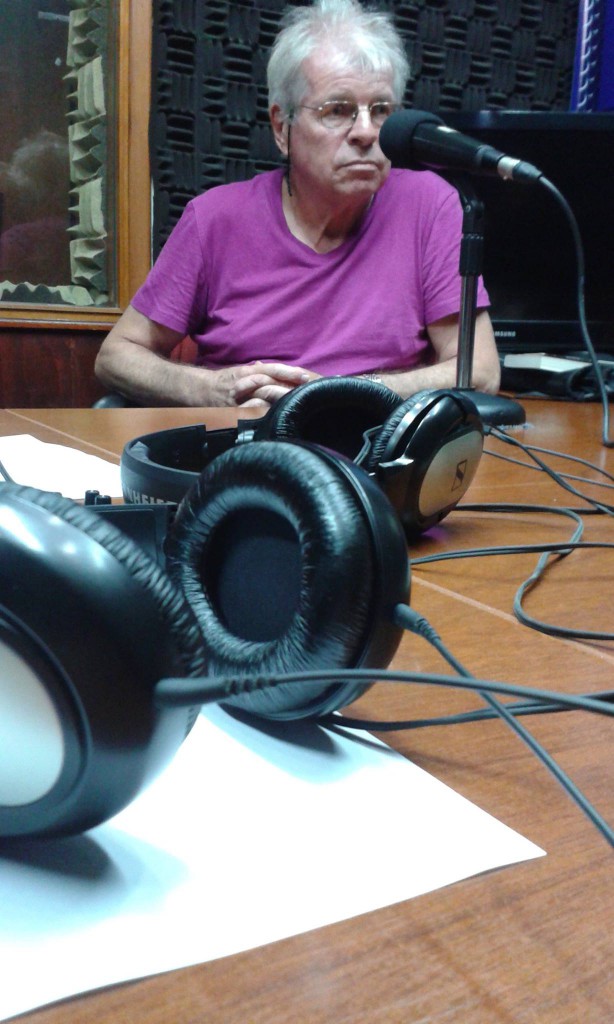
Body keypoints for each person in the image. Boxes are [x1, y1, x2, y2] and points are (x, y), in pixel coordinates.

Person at [95, 0, 501, 409]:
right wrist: (212, 388)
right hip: (247, 439)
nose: (366, 132)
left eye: (381, 111)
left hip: (376, 440)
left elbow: (479, 372)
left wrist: (335, 396)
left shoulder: (431, 206)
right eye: (337, 110)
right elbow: (117, 356)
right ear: (281, 127)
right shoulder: (214, 219)